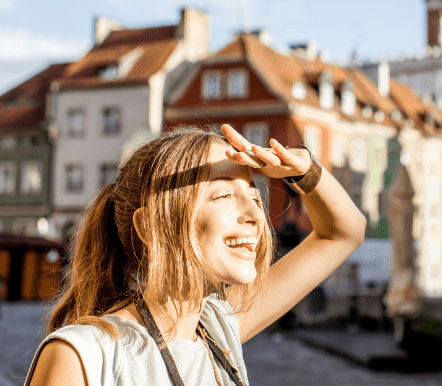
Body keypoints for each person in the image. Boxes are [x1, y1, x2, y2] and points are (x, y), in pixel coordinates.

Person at [25, 124, 367, 386]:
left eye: (254, 193)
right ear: (154, 225)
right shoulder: (82, 355)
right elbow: (338, 235)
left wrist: (304, 171)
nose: (254, 214)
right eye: (222, 196)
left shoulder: (216, 329)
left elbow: (344, 233)